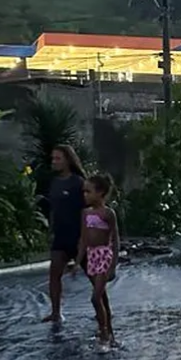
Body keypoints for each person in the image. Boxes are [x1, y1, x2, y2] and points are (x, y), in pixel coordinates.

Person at [42, 145, 86, 325]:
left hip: (77, 236)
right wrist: (50, 231)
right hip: (60, 236)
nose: (54, 162)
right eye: (53, 158)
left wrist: (86, 237)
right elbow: (54, 209)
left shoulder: (79, 182)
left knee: (93, 277)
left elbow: (87, 210)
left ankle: (102, 309)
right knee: (54, 275)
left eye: (57, 158)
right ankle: (55, 312)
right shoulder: (54, 183)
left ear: (68, 160)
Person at [79, 173, 121, 346]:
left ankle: (104, 331)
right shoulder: (85, 213)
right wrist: (77, 260)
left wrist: (113, 264)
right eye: (84, 192)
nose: (85, 195)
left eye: (89, 192)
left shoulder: (108, 213)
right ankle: (107, 329)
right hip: (92, 255)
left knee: (95, 298)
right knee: (102, 297)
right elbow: (83, 238)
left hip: (104, 255)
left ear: (101, 193)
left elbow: (116, 239)